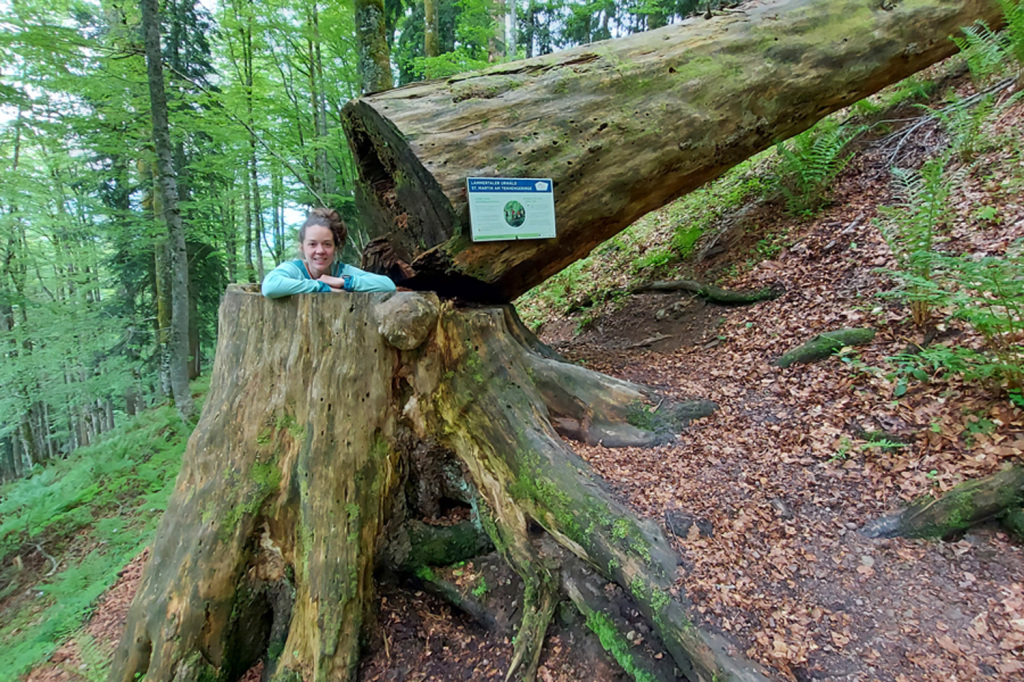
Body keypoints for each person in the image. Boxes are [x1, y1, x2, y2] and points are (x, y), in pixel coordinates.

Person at [261, 208, 396, 298]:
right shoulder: (294, 270)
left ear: (336, 247)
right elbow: (270, 286)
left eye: (327, 244)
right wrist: (321, 286)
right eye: (312, 244)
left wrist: (344, 282)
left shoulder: (343, 271)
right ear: (302, 247)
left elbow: (388, 285)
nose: (320, 251)